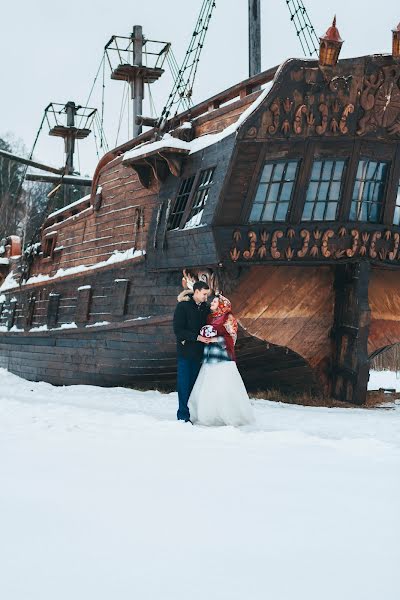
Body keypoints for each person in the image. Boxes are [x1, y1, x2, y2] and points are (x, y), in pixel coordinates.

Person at [188, 294, 255, 426]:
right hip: (209, 358)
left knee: (223, 388)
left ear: (222, 304)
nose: (211, 302)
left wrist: (214, 339)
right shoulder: (210, 317)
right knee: (207, 387)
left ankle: (228, 416)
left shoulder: (228, 318)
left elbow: (232, 338)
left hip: (223, 359)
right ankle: (205, 414)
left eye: (214, 301)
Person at [173, 281, 211, 422]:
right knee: (184, 384)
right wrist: (197, 337)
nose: (206, 297)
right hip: (185, 352)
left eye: (207, 294)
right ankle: (183, 415)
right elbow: (178, 330)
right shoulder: (183, 306)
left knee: (195, 385)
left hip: (199, 353)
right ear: (196, 292)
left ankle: (193, 414)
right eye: (204, 294)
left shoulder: (205, 308)